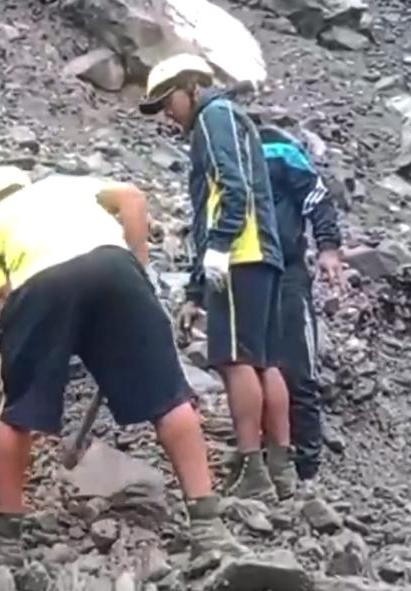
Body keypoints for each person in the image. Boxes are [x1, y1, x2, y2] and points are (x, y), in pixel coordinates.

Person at [0, 167, 244, 565]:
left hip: (39, 285)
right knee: (170, 397)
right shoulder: (64, 184)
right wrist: (139, 267)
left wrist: (57, 339)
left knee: (16, 414)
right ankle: (208, 529)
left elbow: (10, 298)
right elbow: (133, 198)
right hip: (115, 268)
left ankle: (8, 541)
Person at [138, 54, 299, 503]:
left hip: (239, 256)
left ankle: (253, 467)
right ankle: (281, 469)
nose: (168, 115)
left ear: (191, 86)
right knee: (265, 360)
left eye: (168, 101)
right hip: (263, 254)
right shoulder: (235, 119)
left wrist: (220, 247)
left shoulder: (213, 118)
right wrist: (193, 290)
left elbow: (232, 188)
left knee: (235, 361)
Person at [259, 124, 345, 490]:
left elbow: (316, 196)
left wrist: (328, 247)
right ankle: (266, 456)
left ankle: (307, 469)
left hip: (286, 270)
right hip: (241, 275)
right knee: (253, 368)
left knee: (297, 367)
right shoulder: (211, 152)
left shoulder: (275, 147)